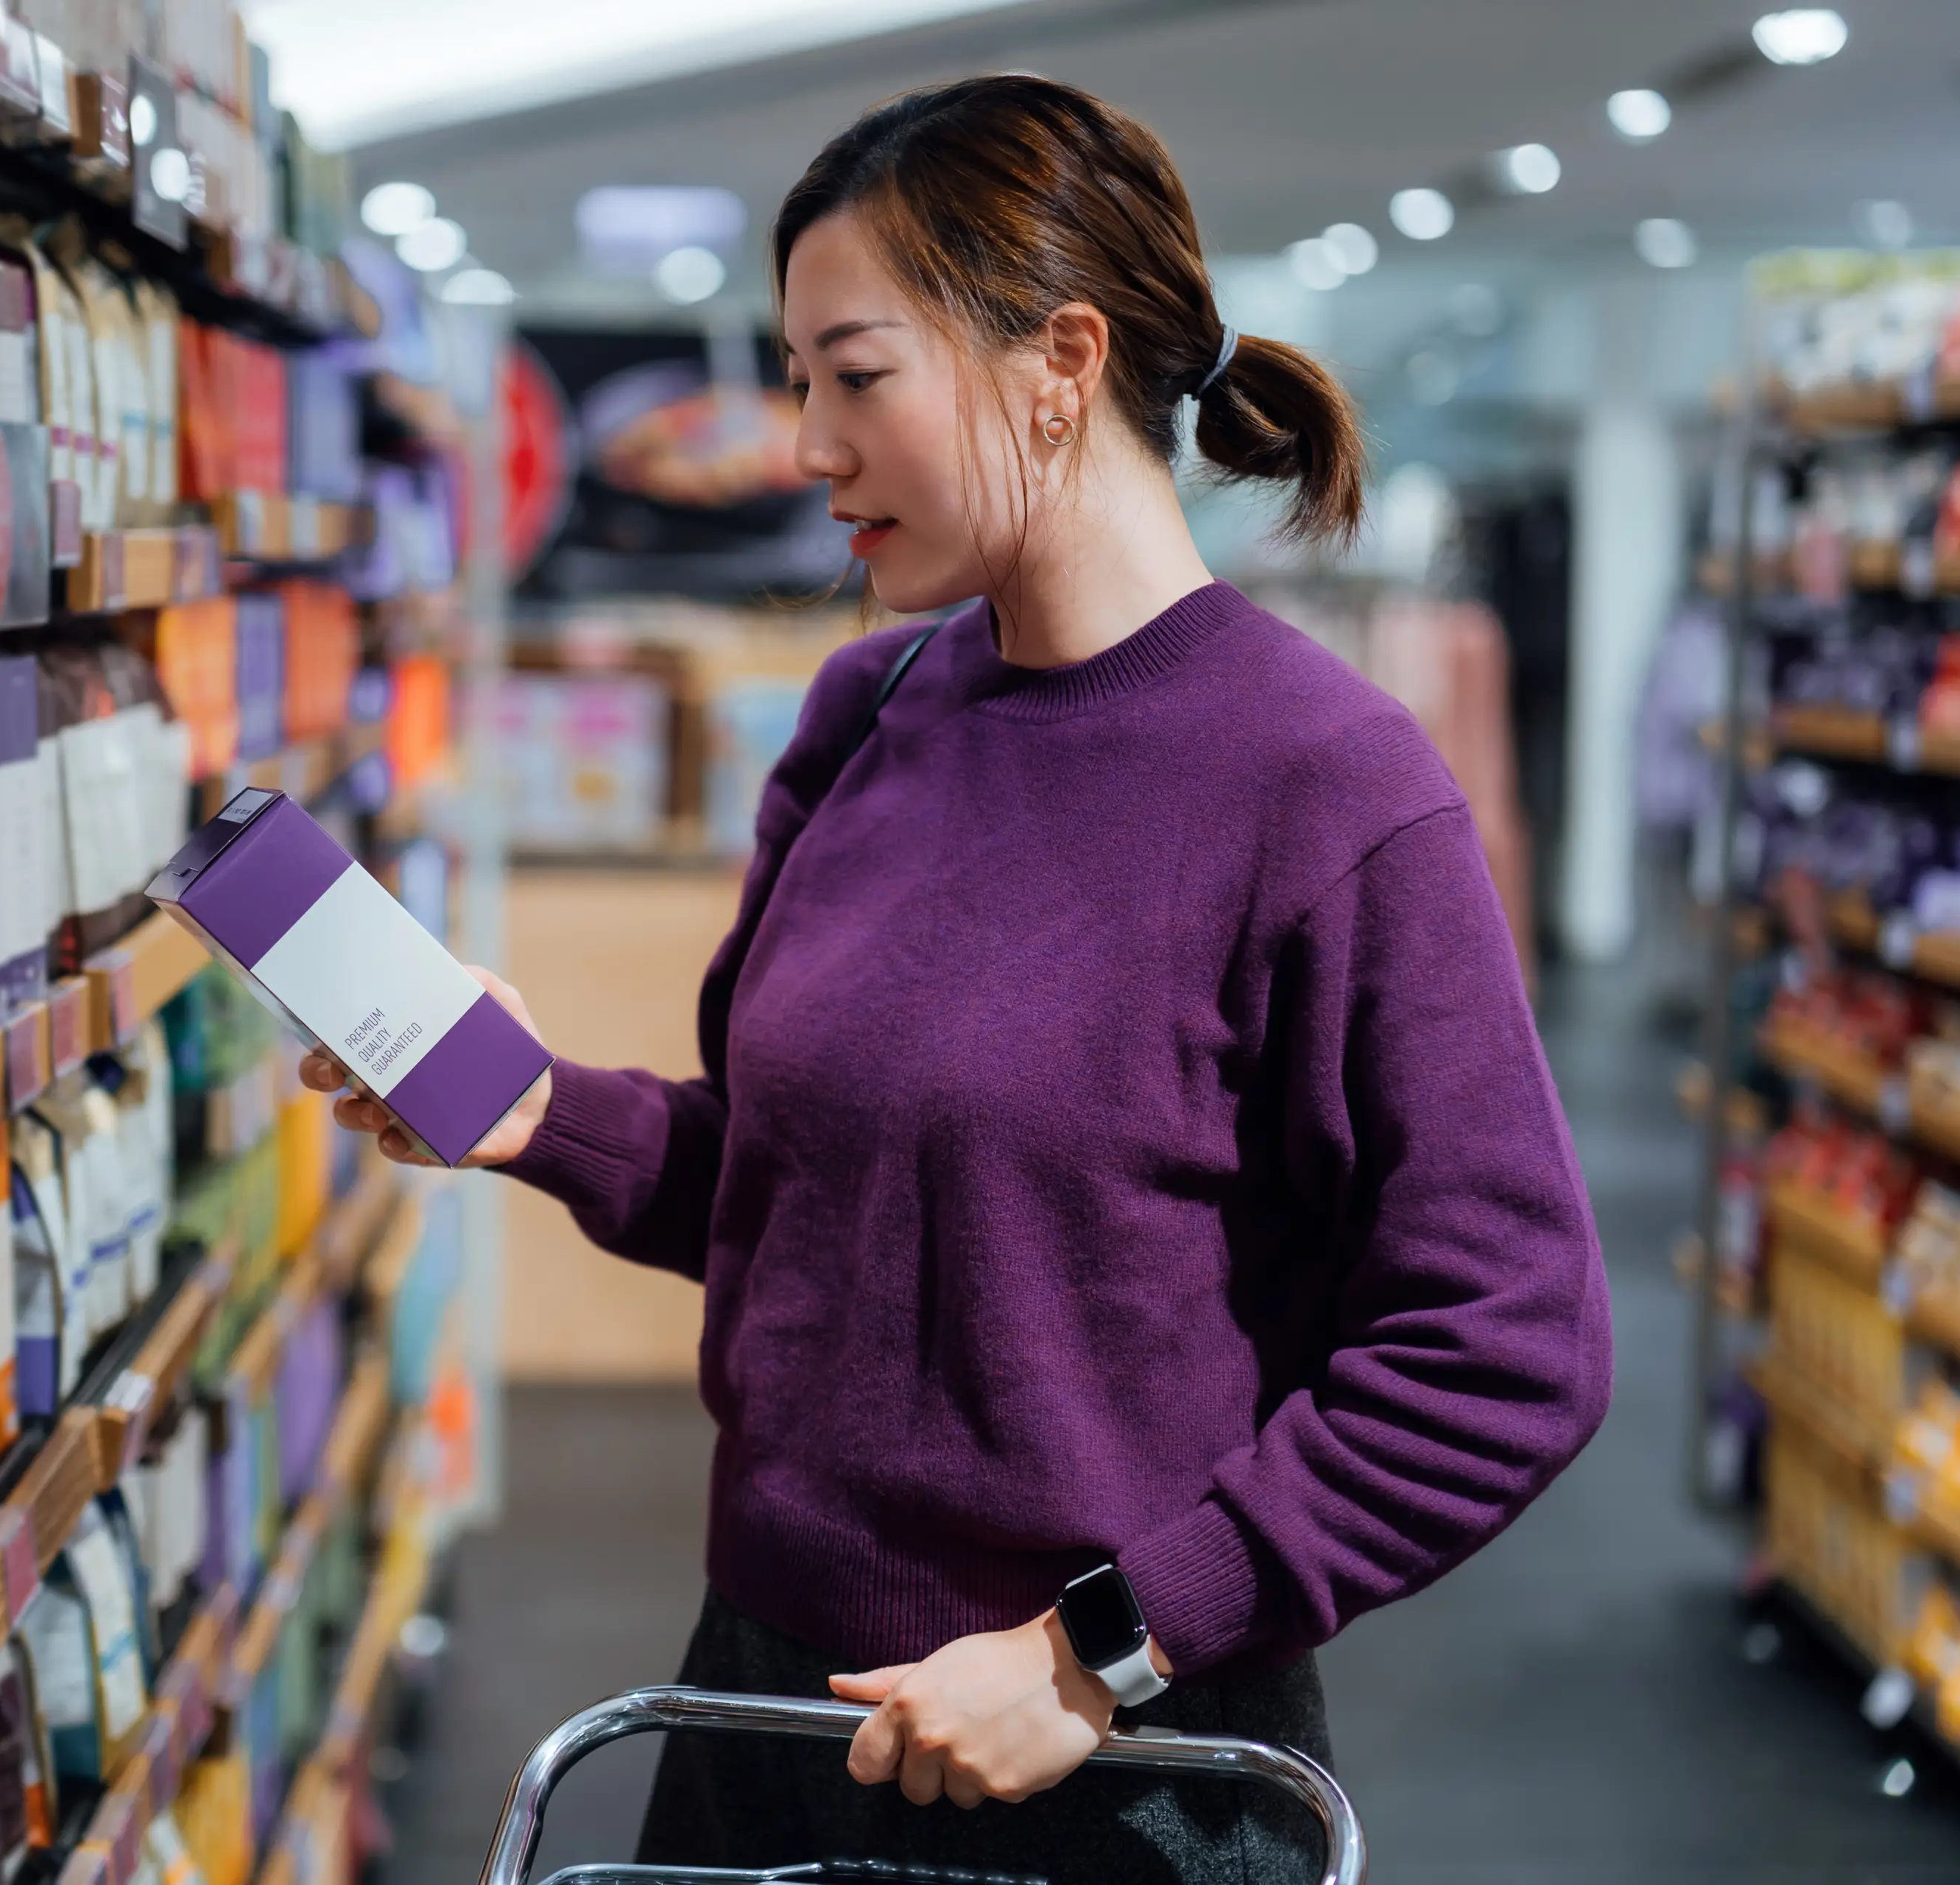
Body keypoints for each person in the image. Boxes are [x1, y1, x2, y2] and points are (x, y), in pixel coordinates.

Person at [306, 73, 1612, 1884]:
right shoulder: (869, 716)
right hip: (759, 1698)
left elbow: (1509, 1342)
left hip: (1115, 1765)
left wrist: (1104, 1650)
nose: (808, 444)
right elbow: (816, 1200)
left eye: (857, 376)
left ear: (1059, 359)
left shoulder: (1326, 784)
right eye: (795, 383)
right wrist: (543, 1114)